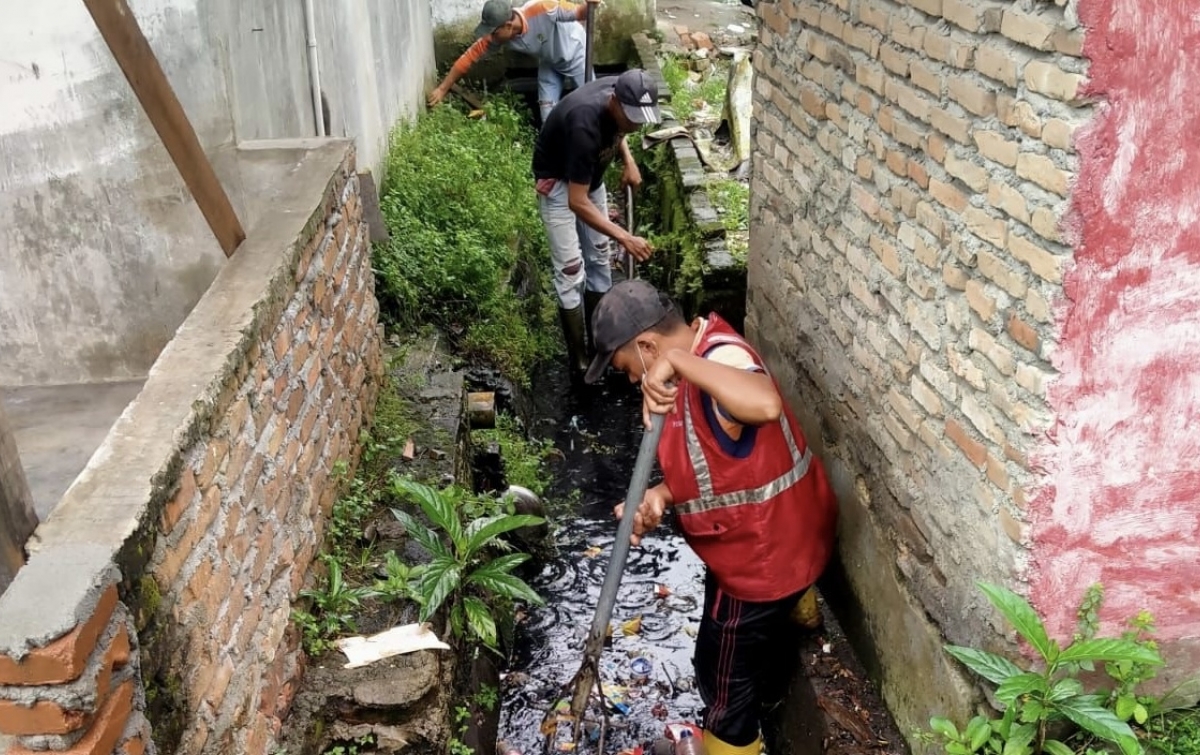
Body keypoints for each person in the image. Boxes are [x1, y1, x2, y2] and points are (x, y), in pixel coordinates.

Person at [584, 280, 839, 755]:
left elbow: (763, 404)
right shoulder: (694, 363)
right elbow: (720, 466)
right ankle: (800, 617)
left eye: (626, 369)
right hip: (794, 535)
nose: (632, 381)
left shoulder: (717, 360)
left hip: (762, 560)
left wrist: (677, 362)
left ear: (647, 347)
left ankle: (732, 743)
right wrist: (661, 495)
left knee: (719, 681)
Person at [533, 69, 659, 382]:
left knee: (600, 259)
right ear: (614, 101)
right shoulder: (583, 124)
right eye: (630, 117)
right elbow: (577, 201)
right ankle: (579, 362)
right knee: (571, 270)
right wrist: (626, 237)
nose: (634, 124)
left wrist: (628, 160)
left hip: (590, 177)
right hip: (560, 185)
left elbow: (621, 130)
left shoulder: (621, 93)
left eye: (639, 119)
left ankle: (601, 344)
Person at [428, 0, 591, 124]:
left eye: (494, 33)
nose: (490, 38)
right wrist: (443, 89)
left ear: (508, 25)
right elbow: (468, 58)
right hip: (549, 62)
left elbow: (579, 13)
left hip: (575, 53)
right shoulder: (497, 38)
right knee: (547, 117)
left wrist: (589, 3)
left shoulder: (542, 8)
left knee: (591, 103)